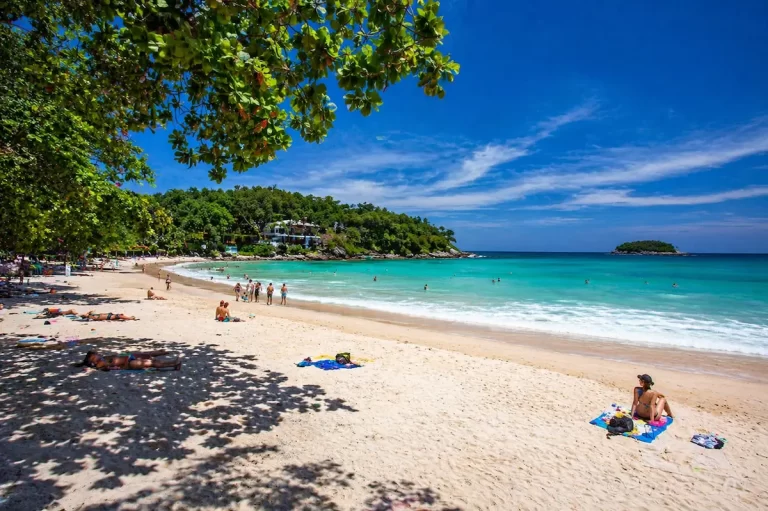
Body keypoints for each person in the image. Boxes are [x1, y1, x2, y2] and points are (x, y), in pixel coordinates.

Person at [76, 350, 181, 371]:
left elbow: (116, 356)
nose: (98, 356)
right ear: (92, 361)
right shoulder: (99, 365)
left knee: (147, 355)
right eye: (95, 357)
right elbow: (110, 368)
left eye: (96, 354)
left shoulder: (104, 358)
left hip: (128, 357)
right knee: (151, 363)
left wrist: (127, 354)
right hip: (128, 364)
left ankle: (164, 353)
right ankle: (173, 364)